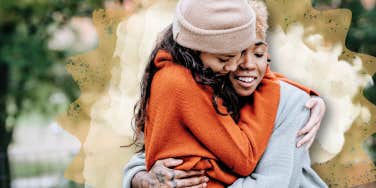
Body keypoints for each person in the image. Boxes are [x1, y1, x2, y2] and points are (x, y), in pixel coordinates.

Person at [124, 0, 327, 187]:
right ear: (198, 52)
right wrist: (142, 179)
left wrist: (296, 91)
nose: (239, 65)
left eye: (257, 54)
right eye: (228, 57)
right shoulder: (205, 84)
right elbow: (148, 156)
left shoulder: (292, 102)